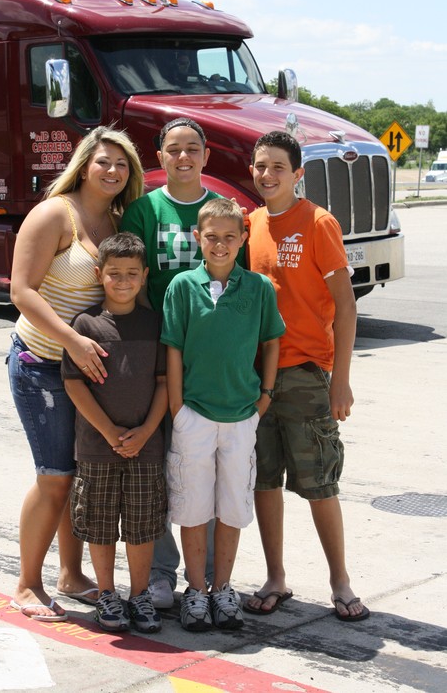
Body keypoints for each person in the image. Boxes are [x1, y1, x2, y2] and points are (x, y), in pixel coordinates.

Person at [7, 127, 144, 622]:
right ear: (84, 165)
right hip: (41, 363)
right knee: (55, 477)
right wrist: (72, 339)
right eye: (104, 161)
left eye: (122, 164)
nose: (113, 171)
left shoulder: (118, 220)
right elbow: (21, 291)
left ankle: (71, 575)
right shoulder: (53, 213)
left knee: (78, 474)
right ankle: (27, 584)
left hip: (86, 368)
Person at [245, 130, 370, 623]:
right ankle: (275, 576)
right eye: (260, 166)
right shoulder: (250, 223)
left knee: (320, 482)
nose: (268, 174)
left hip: (306, 374)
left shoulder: (318, 223)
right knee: (264, 481)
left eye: (278, 166)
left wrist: (340, 379)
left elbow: (346, 306)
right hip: (257, 379)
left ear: (298, 174)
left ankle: (340, 581)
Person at [161, 198, 285, 631]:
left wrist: (264, 397)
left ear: (243, 239)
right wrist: (178, 409)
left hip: (242, 415)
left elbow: (271, 342)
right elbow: (173, 348)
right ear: (197, 237)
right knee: (193, 506)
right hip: (194, 414)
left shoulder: (259, 287)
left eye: (230, 237)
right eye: (211, 236)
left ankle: (222, 587)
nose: (220, 245)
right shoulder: (181, 286)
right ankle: (196, 590)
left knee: (232, 505)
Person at [120, 116, 224, 609]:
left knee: (203, 466)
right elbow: (133, 282)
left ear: (206, 155)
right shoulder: (144, 210)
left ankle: (208, 574)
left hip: (207, 359)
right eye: (174, 149)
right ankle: (161, 572)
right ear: (159, 157)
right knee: (157, 463)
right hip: (156, 353)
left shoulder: (222, 210)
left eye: (192, 149)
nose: (184, 157)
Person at [61, 232, 168, 633]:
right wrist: (109, 432)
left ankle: (139, 595)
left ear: (144, 276)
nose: (123, 281)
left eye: (131, 273)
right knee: (100, 523)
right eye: (114, 273)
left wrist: (146, 431)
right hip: (96, 446)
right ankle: (107, 593)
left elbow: (164, 383)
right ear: (98, 274)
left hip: (146, 447)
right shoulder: (84, 324)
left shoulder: (155, 323)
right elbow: (74, 384)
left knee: (142, 525)